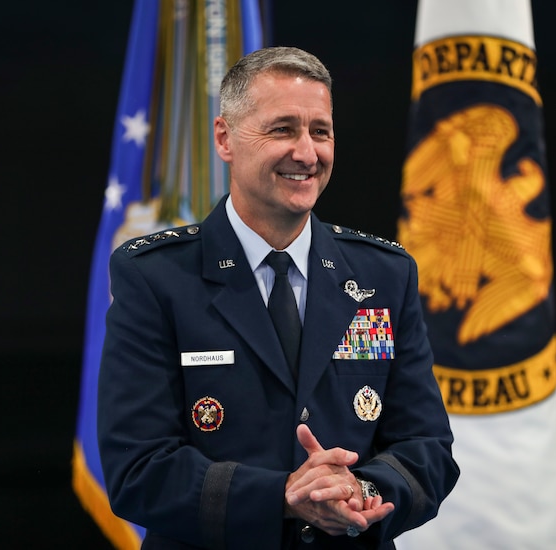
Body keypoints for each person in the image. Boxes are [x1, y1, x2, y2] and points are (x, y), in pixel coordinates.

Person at [97, 46, 459, 549]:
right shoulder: (155, 278)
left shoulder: (385, 275)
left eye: (320, 132)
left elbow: (428, 449)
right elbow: (137, 469)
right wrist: (283, 496)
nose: (307, 153)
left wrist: (361, 489)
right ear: (225, 138)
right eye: (282, 129)